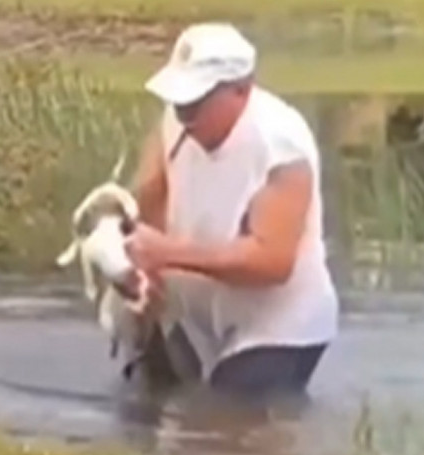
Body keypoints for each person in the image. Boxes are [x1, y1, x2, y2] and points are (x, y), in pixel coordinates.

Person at [123, 22, 339, 398]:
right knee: (148, 410)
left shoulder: (281, 147)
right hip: (194, 312)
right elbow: (149, 193)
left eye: (196, 102)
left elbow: (271, 262)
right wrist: (144, 268)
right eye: (179, 101)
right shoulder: (174, 121)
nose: (185, 114)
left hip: (278, 326)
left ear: (242, 90)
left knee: (232, 429)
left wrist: (166, 253)